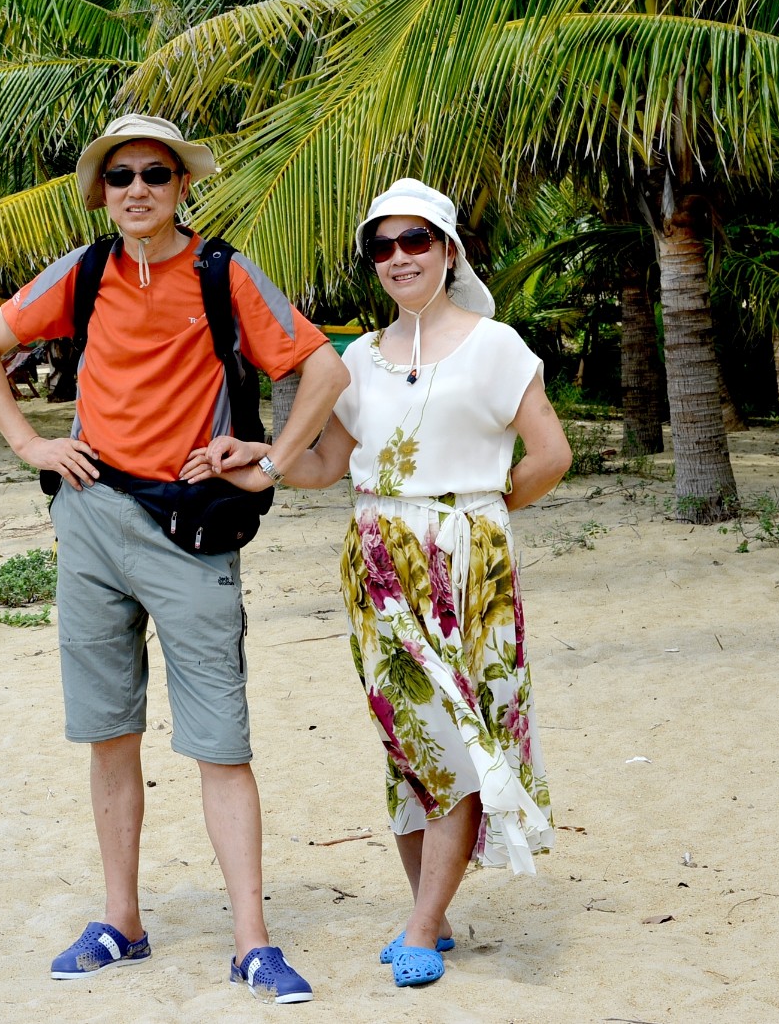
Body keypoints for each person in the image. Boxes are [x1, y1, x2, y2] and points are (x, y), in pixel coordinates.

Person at [0, 113, 350, 1003]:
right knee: (108, 732)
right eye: (122, 175)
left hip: (189, 527)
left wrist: (267, 461)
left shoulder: (222, 271)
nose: (139, 189)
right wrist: (30, 445)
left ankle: (251, 940)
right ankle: (121, 921)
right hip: (91, 518)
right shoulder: (87, 270)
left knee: (220, 740)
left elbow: (323, 370)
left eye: (157, 174)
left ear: (182, 187)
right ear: (103, 190)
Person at [208, 178, 571, 989]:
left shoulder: (496, 345)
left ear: (448, 249)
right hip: (376, 562)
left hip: (466, 561)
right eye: (383, 245)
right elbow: (330, 464)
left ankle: (416, 924)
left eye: (416, 241)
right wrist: (256, 463)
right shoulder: (359, 360)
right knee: (408, 740)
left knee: (456, 737)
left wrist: (477, 513)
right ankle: (431, 915)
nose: (399, 258)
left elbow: (549, 455)